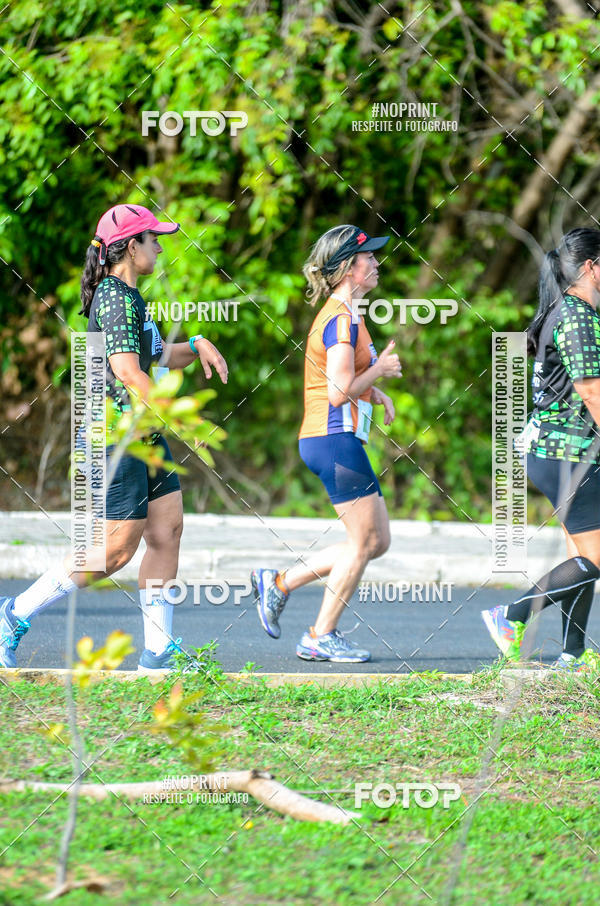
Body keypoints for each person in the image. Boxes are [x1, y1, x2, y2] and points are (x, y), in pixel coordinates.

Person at [0, 203, 227, 672]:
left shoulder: (129, 297)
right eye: (154, 239)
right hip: (113, 435)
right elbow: (127, 373)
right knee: (113, 552)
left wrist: (199, 343)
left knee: (167, 531)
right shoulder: (114, 297)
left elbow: (158, 356)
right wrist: (187, 426)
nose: (161, 247)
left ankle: (159, 653)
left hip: (139, 432)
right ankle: (13, 615)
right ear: (130, 246)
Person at [252, 224, 402, 662]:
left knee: (377, 541)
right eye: (368, 258)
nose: (376, 263)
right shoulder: (340, 320)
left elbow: (341, 380)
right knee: (363, 542)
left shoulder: (348, 315)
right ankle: (319, 635)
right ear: (346, 270)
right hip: (332, 438)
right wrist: (381, 371)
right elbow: (337, 391)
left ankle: (280, 583)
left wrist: (376, 392)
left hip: (336, 438)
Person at [481, 228, 600, 672]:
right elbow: (591, 391)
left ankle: (573, 652)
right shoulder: (578, 317)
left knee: (582, 555)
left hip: (556, 453)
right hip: (569, 454)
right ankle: (509, 617)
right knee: (593, 557)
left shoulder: (561, 311)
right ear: (590, 267)